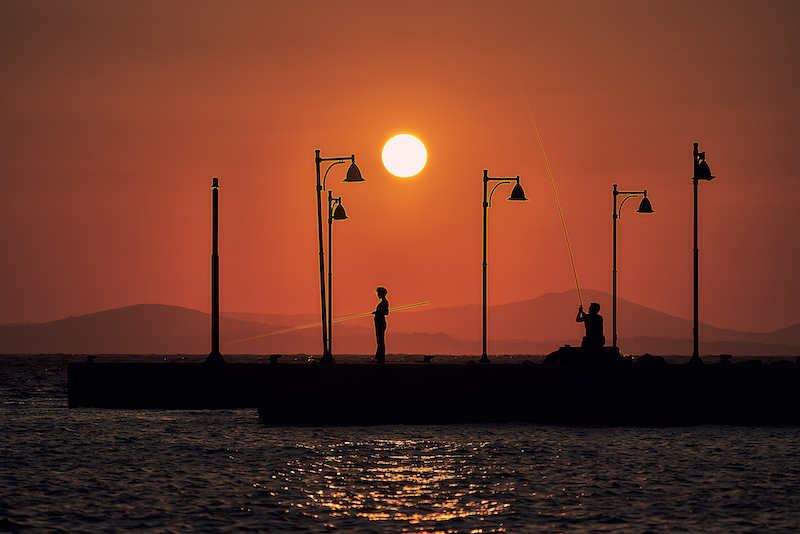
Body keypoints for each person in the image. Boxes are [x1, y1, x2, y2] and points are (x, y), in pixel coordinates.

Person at [372, 287, 389, 363]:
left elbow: (386, 313)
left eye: (378, 293)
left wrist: (378, 313)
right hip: (379, 322)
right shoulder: (383, 302)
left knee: (380, 340)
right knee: (379, 340)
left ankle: (381, 357)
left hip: (381, 322)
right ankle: (379, 356)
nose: (377, 295)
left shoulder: (384, 302)